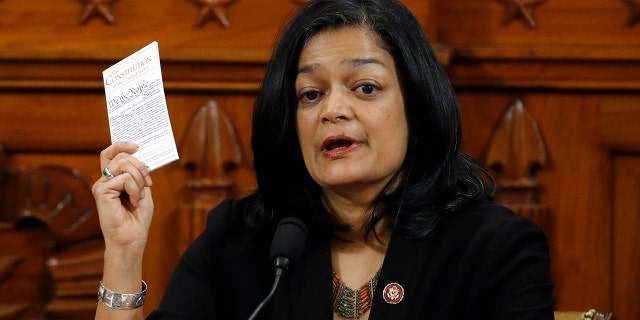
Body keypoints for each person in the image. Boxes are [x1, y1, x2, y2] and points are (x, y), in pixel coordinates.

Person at [92, 0, 555, 319]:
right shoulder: (239, 240)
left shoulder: (494, 248)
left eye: (365, 87)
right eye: (310, 94)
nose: (332, 110)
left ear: (417, 104)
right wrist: (125, 254)